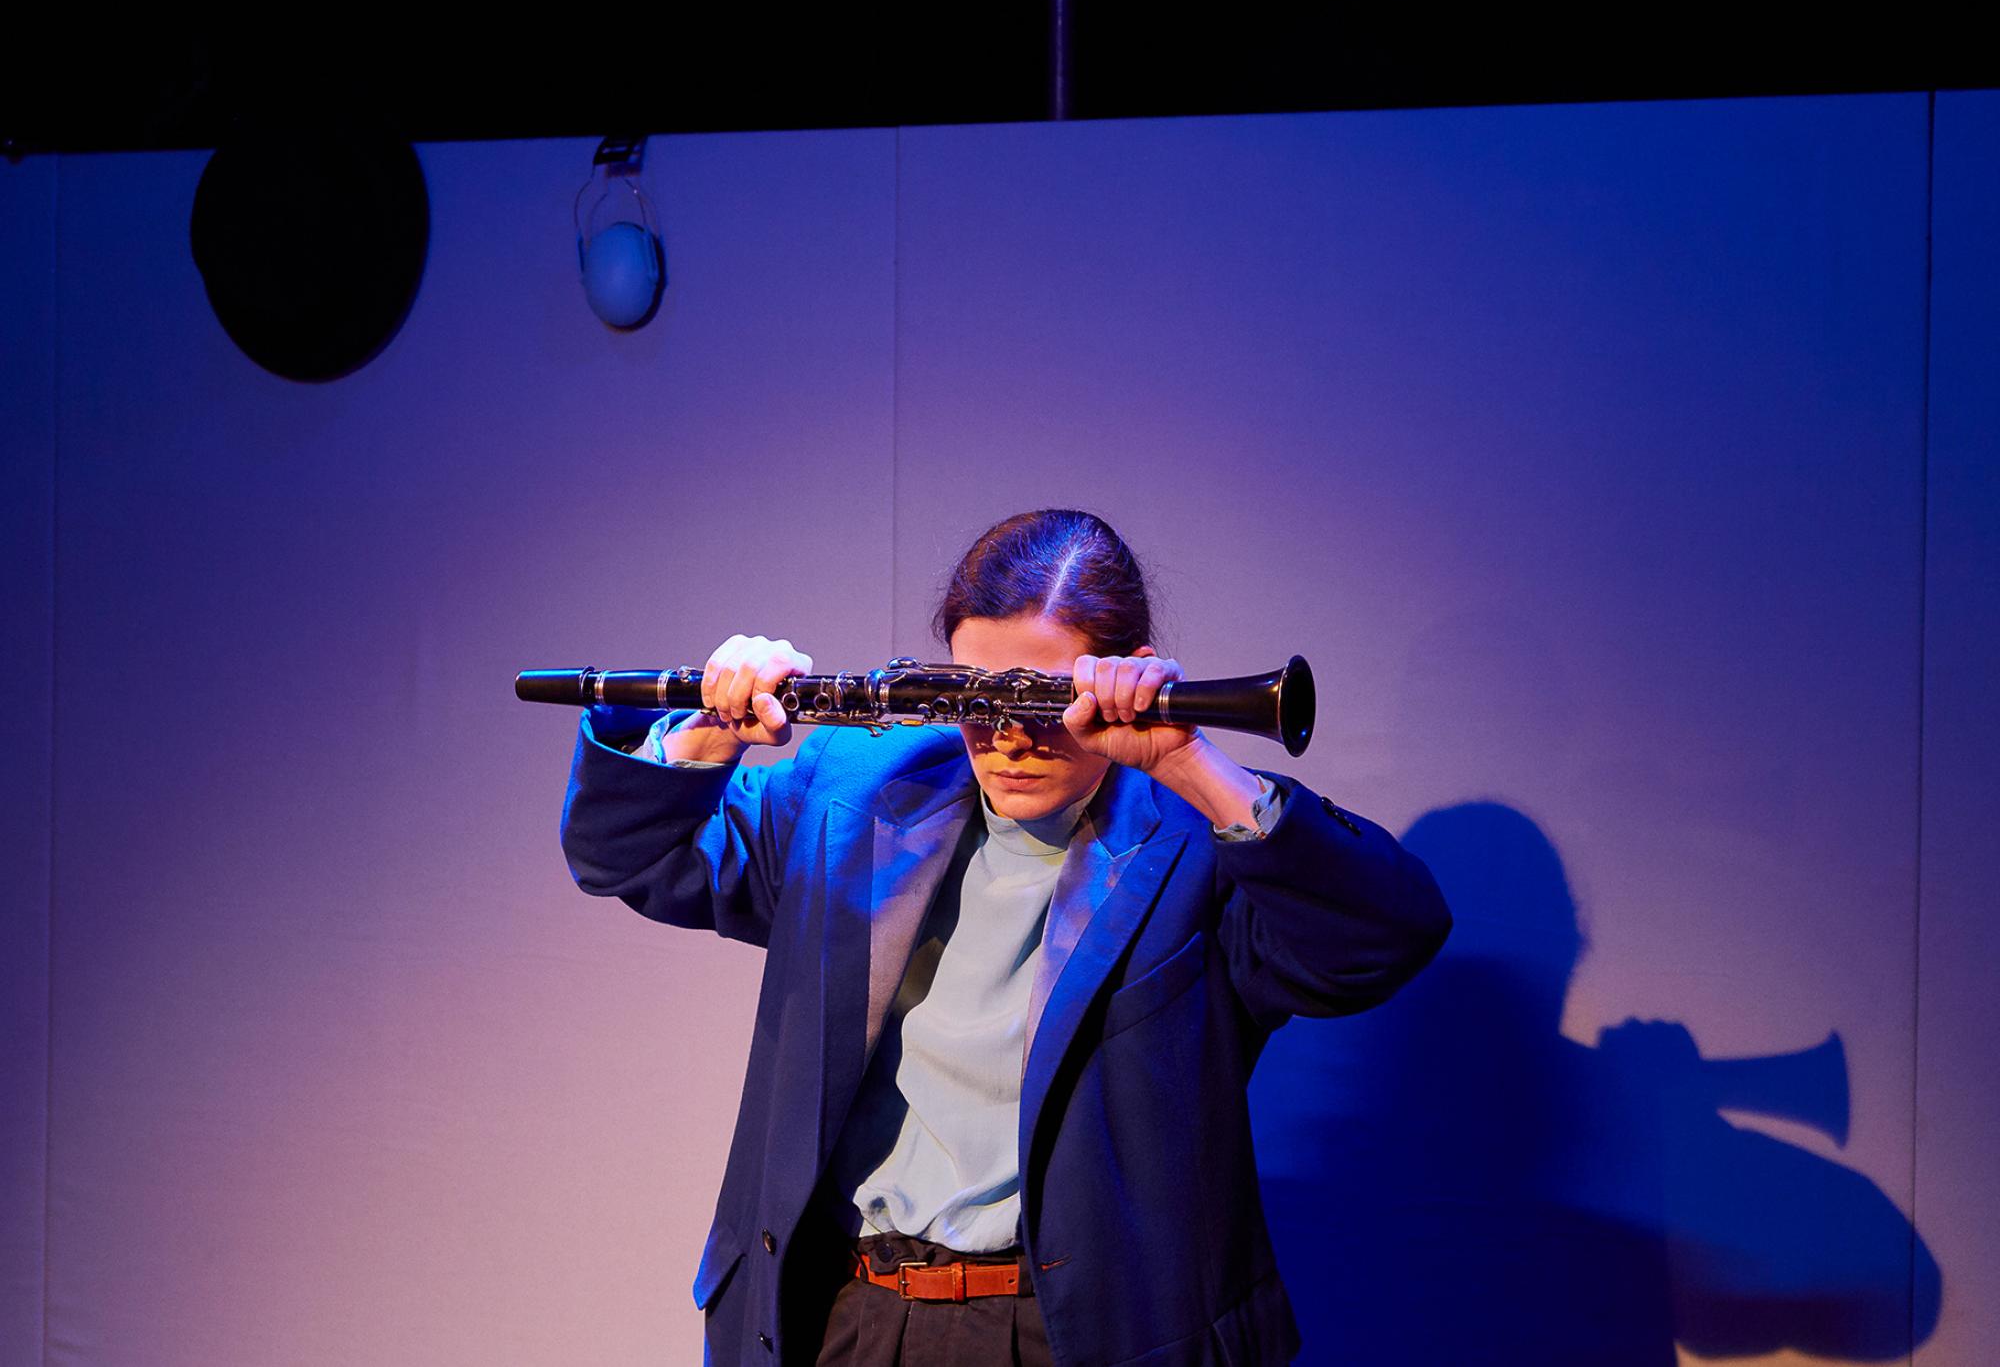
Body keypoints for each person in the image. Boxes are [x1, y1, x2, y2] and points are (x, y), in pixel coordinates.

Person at [559, 509, 1451, 1366]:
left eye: (1042, 696)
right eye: (977, 696)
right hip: (848, 1311)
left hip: (1078, 1333)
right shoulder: (855, 792)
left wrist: (1187, 759)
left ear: (1128, 673)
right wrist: (713, 733)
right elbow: (628, 857)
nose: (1009, 737)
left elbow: (1379, 942)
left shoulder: (1201, 842)